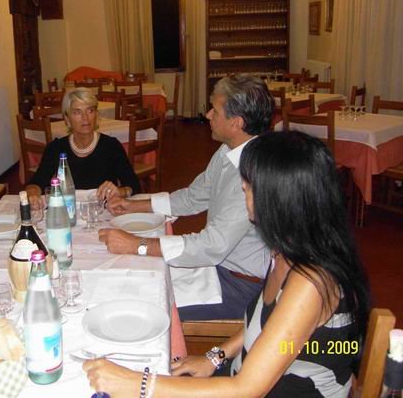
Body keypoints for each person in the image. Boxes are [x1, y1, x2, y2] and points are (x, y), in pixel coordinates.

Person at [85, 131, 371, 397]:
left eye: (248, 187)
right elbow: (266, 327)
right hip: (246, 375)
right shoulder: (285, 249)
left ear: (279, 200)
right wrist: (214, 357)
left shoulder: (309, 282)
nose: (242, 190)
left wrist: (138, 383)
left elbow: (245, 390)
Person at [100, 75, 274, 320]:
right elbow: (194, 197)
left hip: (239, 285)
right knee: (135, 278)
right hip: (217, 266)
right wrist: (133, 205)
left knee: (141, 303)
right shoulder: (229, 150)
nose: (208, 115)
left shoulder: (254, 174)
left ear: (236, 122)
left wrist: (137, 244)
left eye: (215, 110)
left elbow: (212, 245)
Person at [26, 87, 140, 208]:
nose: (85, 118)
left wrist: (120, 191)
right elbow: (35, 184)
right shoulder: (56, 148)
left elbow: (134, 185)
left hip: (104, 211)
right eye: (77, 112)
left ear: (96, 115)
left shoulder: (111, 146)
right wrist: (33, 194)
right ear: (67, 119)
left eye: (90, 110)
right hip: (68, 212)